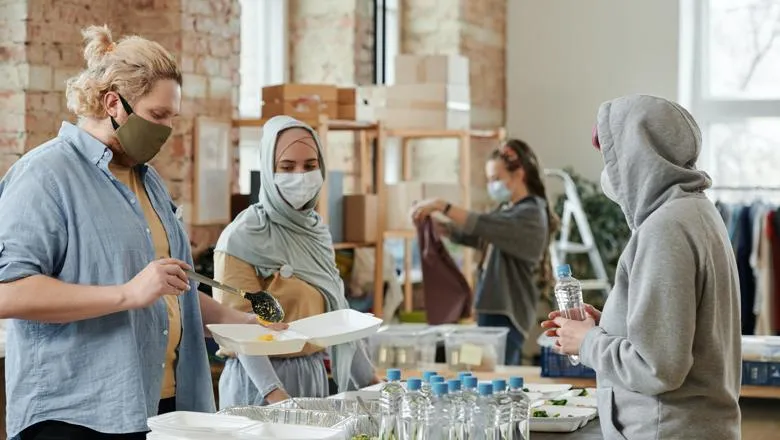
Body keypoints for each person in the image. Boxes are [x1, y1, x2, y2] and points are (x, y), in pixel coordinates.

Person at [0, 25, 283, 440]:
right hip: (76, 416)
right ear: (113, 102)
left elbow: (169, 290)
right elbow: (9, 292)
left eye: (172, 117)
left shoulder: (147, 181)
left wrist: (240, 324)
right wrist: (127, 294)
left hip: (158, 407)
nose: (166, 131)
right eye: (157, 116)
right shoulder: (44, 176)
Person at [542, 94, 741, 439]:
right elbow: (678, 332)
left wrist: (587, 342)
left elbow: (658, 368)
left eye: (613, 158)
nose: (609, 172)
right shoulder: (697, 211)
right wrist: (607, 324)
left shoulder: (665, 229)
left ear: (638, 156)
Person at [212, 115, 379, 408]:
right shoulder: (242, 237)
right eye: (287, 167)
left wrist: (372, 385)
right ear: (268, 168)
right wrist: (276, 396)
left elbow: (338, 312)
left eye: (310, 166)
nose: (301, 176)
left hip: (311, 375)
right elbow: (239, 332)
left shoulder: (315, 231)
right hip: (259, 386)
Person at [411, 139, 557, 365]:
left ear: (519, 174)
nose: (492, 185)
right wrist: (440, 227)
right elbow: (478, 236)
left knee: (498, 378)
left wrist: (442, 206)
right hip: (492, 308)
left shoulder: (529, 214)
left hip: (507, 312)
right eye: (489, 180)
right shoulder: (508, 210)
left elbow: (482, 225)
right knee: (483, 371)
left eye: (496, 179)